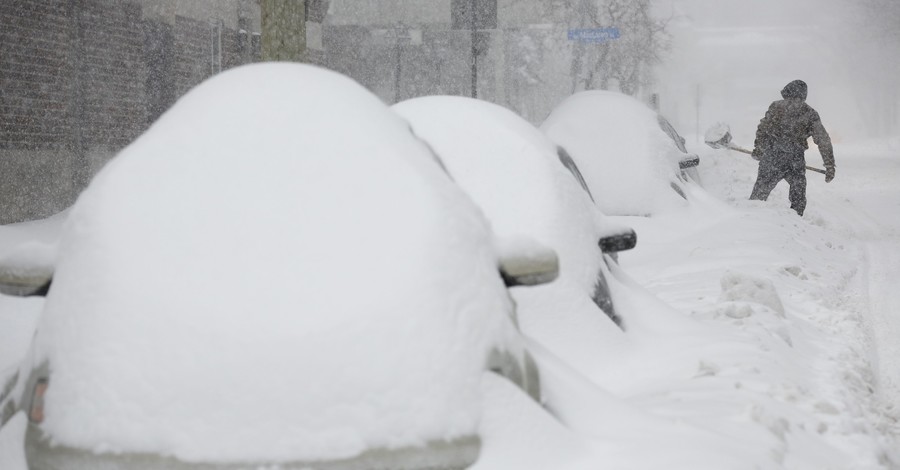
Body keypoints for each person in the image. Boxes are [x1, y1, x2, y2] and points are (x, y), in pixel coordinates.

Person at [749, 79, 835, 216]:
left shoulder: (776, 107)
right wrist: (830, 165)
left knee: (758, 196)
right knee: (798, 199)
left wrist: (759, 149)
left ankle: (752, 220)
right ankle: (796, 221)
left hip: (772, 157)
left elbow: (763, 129)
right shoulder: (810, 113)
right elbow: (823, 140)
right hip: (795, 160)